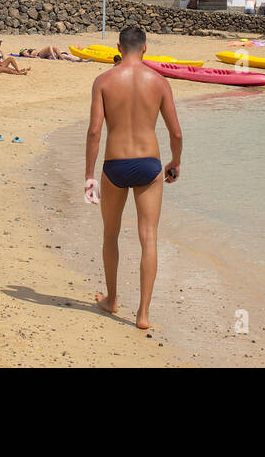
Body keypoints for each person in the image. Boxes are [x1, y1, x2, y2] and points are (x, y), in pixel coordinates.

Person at [84, 25, 182, 330]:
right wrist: (175, 162)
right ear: (145, 49)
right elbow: (176, 132)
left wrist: (89, 175)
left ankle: (112, 300)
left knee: (110, 234)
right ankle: (142, 315)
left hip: (114, 165)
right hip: (149, 165)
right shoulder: (160, 81)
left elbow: (95, 131)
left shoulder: (103, 81)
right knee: (148, 237)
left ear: (118, 46)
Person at [17, 44, 88, 62]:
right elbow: (34, 56)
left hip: (51, 54)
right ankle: (57, 58)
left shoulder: (30, 50)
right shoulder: (27, 54)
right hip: (43, 55)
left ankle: (83, 60)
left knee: (68, 56)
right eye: (23, 51)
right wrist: (25, 53)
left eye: (24, 49)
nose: (24, 50)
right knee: (51, 47)